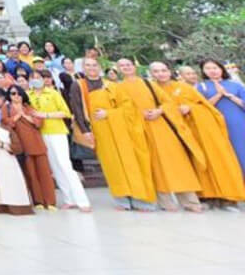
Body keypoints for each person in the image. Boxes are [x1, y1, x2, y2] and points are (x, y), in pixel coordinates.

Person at [151, 61, 245, 208]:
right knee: (192, 164)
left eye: (164, 70)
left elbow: (202, 105)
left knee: (216, 159)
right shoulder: (152, 90)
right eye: (156, 71)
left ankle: (226, 196)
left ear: (170, 72)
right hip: (170, 132)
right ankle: (203, 197)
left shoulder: (183, 88)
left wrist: (190, 108)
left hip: (198, 129)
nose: (161, 74)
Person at [116, 59, 205, 213]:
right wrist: (137, 115)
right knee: (155, 167)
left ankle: (191, 202)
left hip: (161, 127)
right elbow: (120, 109)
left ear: (134, 67)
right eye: (122, 66)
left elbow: (167, 102)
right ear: (118, 69)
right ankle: (166, 202)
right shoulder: (117, 87)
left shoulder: (148, 84)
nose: (126, 68)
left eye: (128, 65)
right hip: (140, 130)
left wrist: (159, 111)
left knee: (178, 162)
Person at [68, 57, 157, 211]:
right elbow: (77, 109)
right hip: (100, 130)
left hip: (122, 130)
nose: (91, 68)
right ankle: (121, 200)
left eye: (94, 65)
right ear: (83, 68)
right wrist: (85, 131)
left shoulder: (112, 85)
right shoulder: (79, 85)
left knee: (131, 163)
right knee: (112, 165)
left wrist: (109, 113)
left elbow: (128, 107)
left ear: (99, 67)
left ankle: (139, 199)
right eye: (87, 65)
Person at [27, 70, 91, 211]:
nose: (35, 80)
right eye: (32, 78)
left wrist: (45, 115)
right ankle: (68, 198)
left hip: (57, 132)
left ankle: (82, 201)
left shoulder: (53, 93)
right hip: (40, 134)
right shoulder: (28, 95)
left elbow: (65, 112)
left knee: (64, 165)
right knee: (55, 168)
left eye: (38, 77)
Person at [2, 85, 56, 210]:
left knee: (44, 173)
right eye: (12, 93)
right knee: (30, 173)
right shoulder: (7, 108)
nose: (16, 96)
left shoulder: (28, 107)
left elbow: (38, 122)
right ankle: (38, 201)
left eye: (18, 93)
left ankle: (50, 201)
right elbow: (6, 122)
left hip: (36, 142)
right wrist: (17, 116)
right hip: (22, 144)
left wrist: (24, 115)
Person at [196, 58, 245, 180]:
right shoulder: (201, 87)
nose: (212, 71)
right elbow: (200, 109)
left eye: (215, 68)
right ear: (203, 71)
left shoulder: (235, 85)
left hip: (239, 123)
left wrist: (230, 96)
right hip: (217, 126)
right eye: (208, 68)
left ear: (221, 69)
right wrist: (218, 95)